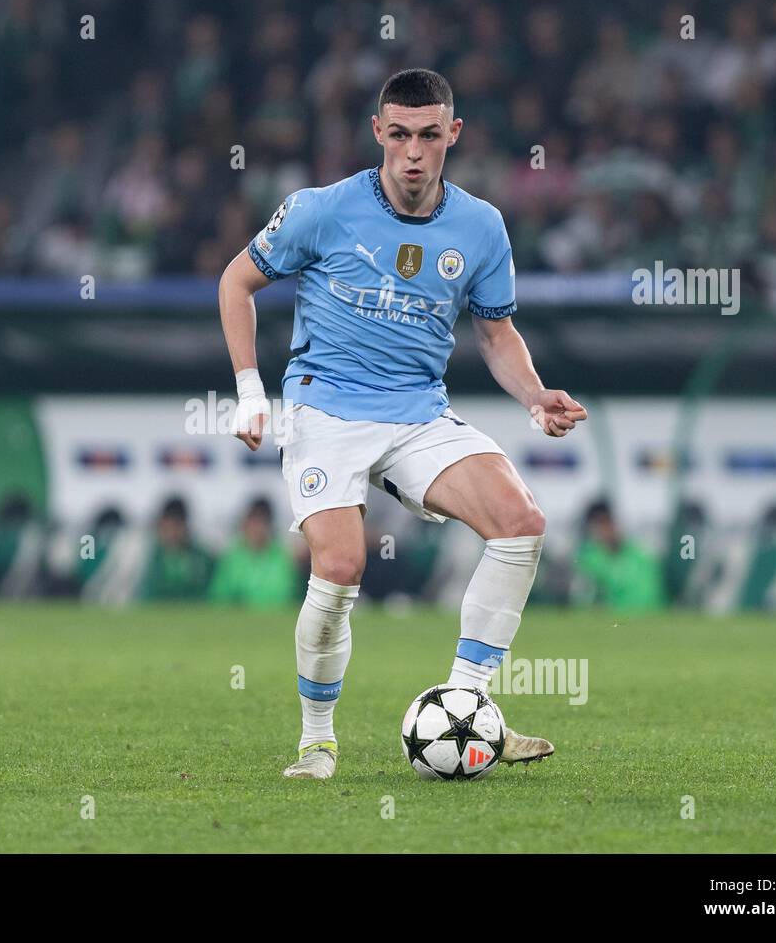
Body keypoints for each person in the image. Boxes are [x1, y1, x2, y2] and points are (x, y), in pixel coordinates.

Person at [218, 69, 588, 780]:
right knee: (340, 566)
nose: (413, 152)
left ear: (454, 133)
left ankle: (466, 705)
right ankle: (317, 742)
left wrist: (536, 395)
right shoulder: (321, 210)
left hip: (418, 412)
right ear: (377, 133)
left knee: (521, 522)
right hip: (327, 408)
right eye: (398, 135)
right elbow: (237, 281)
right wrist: (248, 389)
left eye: (428, 135)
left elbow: (495, 333)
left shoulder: (481, 226)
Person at [575, 500, 667, 611]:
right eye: (600, 524)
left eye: (607, 522)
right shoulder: (589, 560)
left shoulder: (641, 554)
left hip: (653, 616)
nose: (606, 530)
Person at [207, 497, 300, 607]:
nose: (257, 528)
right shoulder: (231, 557)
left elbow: (284, 595)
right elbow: (219, 597)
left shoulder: (283, 558)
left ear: (269, 526)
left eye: (262, 522)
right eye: (254, 522)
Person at [140, 497, 214, 601]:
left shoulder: (202, 559)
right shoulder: (147, 557)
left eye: (177, 526)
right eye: (168, 526)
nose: (172, 533)